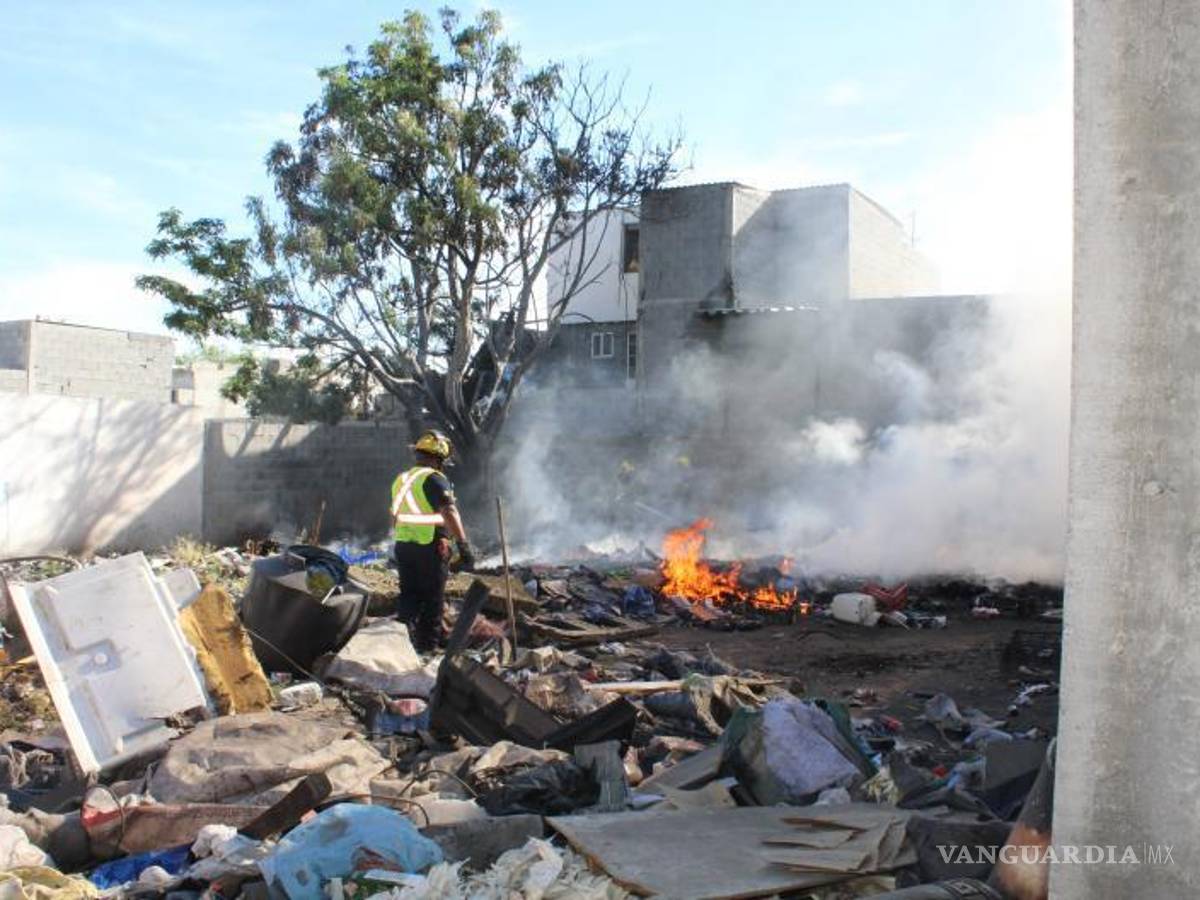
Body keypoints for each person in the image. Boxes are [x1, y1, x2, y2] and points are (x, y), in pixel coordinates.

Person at [390, 429, 475, 652]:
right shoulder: (435, 479)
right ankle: (427, 649)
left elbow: (394, 515)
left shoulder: (402, 479)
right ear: (437, 459)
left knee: (409, 596)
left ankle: (400, 645)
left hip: (404, 545)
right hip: (430, 545)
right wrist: (463, 545)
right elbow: (449, 511)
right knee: (433, 599)